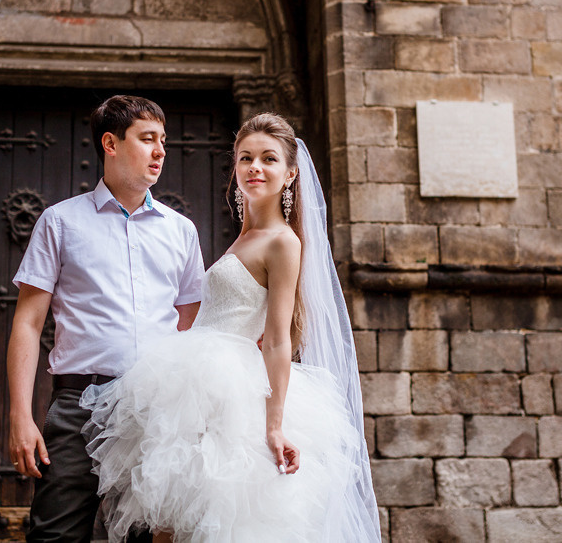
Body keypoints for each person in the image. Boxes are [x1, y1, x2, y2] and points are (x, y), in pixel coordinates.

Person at [80, 113, 382, 542]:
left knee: (217, 525)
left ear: (290, 173)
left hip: (232, 396)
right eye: (246, 158)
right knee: (175, 525)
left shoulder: (283, 240)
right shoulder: (244, 236)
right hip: (196, 392)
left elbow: (277, 338)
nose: (255, 167)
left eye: (268, 159)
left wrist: (274, 426)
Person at [7, 95, 205, 543]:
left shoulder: (181, 231)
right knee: (54, 535)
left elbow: (190, 322)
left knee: (138, 538)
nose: (160, 152)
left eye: (164, 142)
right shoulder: (59, 222)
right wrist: (21, 414)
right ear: (111, 143)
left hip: (148, 412)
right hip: (77, 406)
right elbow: (27, 323)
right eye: (148, 139)